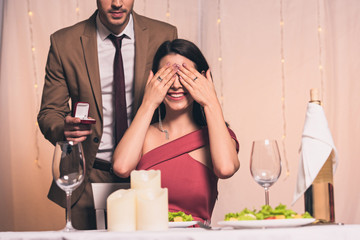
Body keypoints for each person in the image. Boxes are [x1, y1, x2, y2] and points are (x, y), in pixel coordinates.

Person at [37, 0, 177, 230]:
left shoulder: (164, 34)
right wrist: (63, 128)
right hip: (89, 178)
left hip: (147, 175)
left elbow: (175, 101)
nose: (117, 3)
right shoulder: (64, 42)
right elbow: (49, 112)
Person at [112, 39, 240, 222]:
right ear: (154, 79)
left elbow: (226, 168)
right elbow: (121, 167)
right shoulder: (143, 134)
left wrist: (210, 101)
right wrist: (148, 103)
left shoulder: (217, 135)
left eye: (185, 75)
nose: (176, 85)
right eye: (168, 75)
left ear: (202, 79)